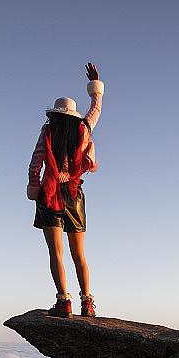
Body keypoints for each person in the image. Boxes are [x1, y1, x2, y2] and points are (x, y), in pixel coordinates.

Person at [27, 63, 104, 318]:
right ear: (72, 114)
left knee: (56, 253)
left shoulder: (47, 131)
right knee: (78, 253)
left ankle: (64, 302)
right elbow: (95, 110)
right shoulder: (83, 129)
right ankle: (87, 303)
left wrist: (34, 187)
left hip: (50, 195)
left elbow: (35, 162)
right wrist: (96, 88)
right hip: (73, 194)